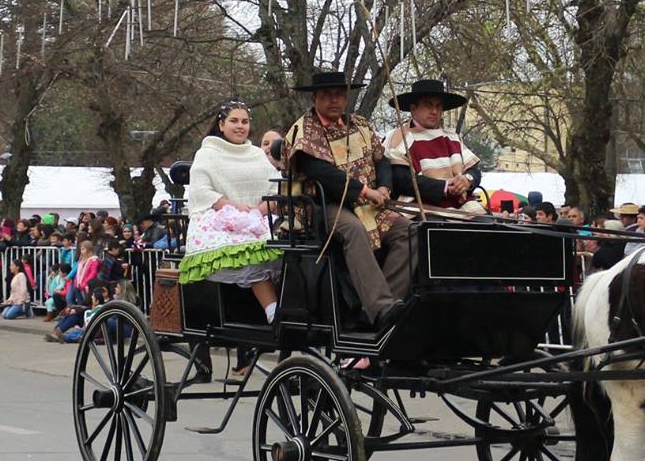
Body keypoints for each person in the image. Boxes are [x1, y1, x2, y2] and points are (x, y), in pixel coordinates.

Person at [283, 69, 416, 328]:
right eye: (326, 95)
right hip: (322, 205)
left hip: (367, 204)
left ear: (346, 98)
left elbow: (381, 159)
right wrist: (366, 192)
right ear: (314, 99)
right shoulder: (303, 131)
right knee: (353, 229)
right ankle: (381, 306)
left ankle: (382, 308)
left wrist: (385, 187)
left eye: (339, 94)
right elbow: (323, 174)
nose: (334, 100)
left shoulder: (361, 125)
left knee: (409, 230)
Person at [183, 100, 284, 324]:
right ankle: (273, 312)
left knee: (284, 249)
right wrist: (234, 207)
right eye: (234, 121)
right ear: (221, 124)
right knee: (248, 254)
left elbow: (275, 189)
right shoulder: (207, 154)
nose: (240, 126)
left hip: (259, 219)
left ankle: (286, 305)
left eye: (245, 122)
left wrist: (258, 210)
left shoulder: (257, 154)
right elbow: (201, 191)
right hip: (220, 219)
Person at [383, 79, 484, 213]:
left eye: (438, 106)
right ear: (413, 109)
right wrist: (444, 187)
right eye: (428, 105)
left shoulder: (452, 137)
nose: (435, 111)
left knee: (493, 225)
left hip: (464, 207)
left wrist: (467, 180)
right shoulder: (399, 137)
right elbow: (401, 180)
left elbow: (475, 171)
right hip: (419, 208)